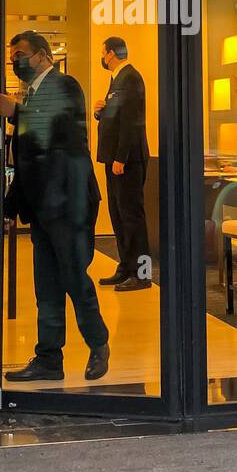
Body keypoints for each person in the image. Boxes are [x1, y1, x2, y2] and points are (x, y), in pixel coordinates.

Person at [0, 30, 110, 382]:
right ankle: (48, 358)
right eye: (12, 56)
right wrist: (10, 205)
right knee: (46, 285)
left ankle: (98, 342)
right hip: (42, 206)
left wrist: (17, 112)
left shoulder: (65, 85)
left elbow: (58, 128)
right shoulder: (30, 94)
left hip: (69, 204)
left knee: (74, 276)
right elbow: (28, 159)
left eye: (21, 54)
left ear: (43, 55)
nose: (16, 61)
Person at [93, 36, 151, 291]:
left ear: (111, 54)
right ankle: (126, 267)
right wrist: (99, 111)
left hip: (127, 160)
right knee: (118, 215)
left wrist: (121, 157)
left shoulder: (131, 78)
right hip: (115, 158)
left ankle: (142, 274)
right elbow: (115, 116)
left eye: (103, 53)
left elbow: (131, 122)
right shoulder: (117, 80)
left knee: (132, 217)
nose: (102, 57)